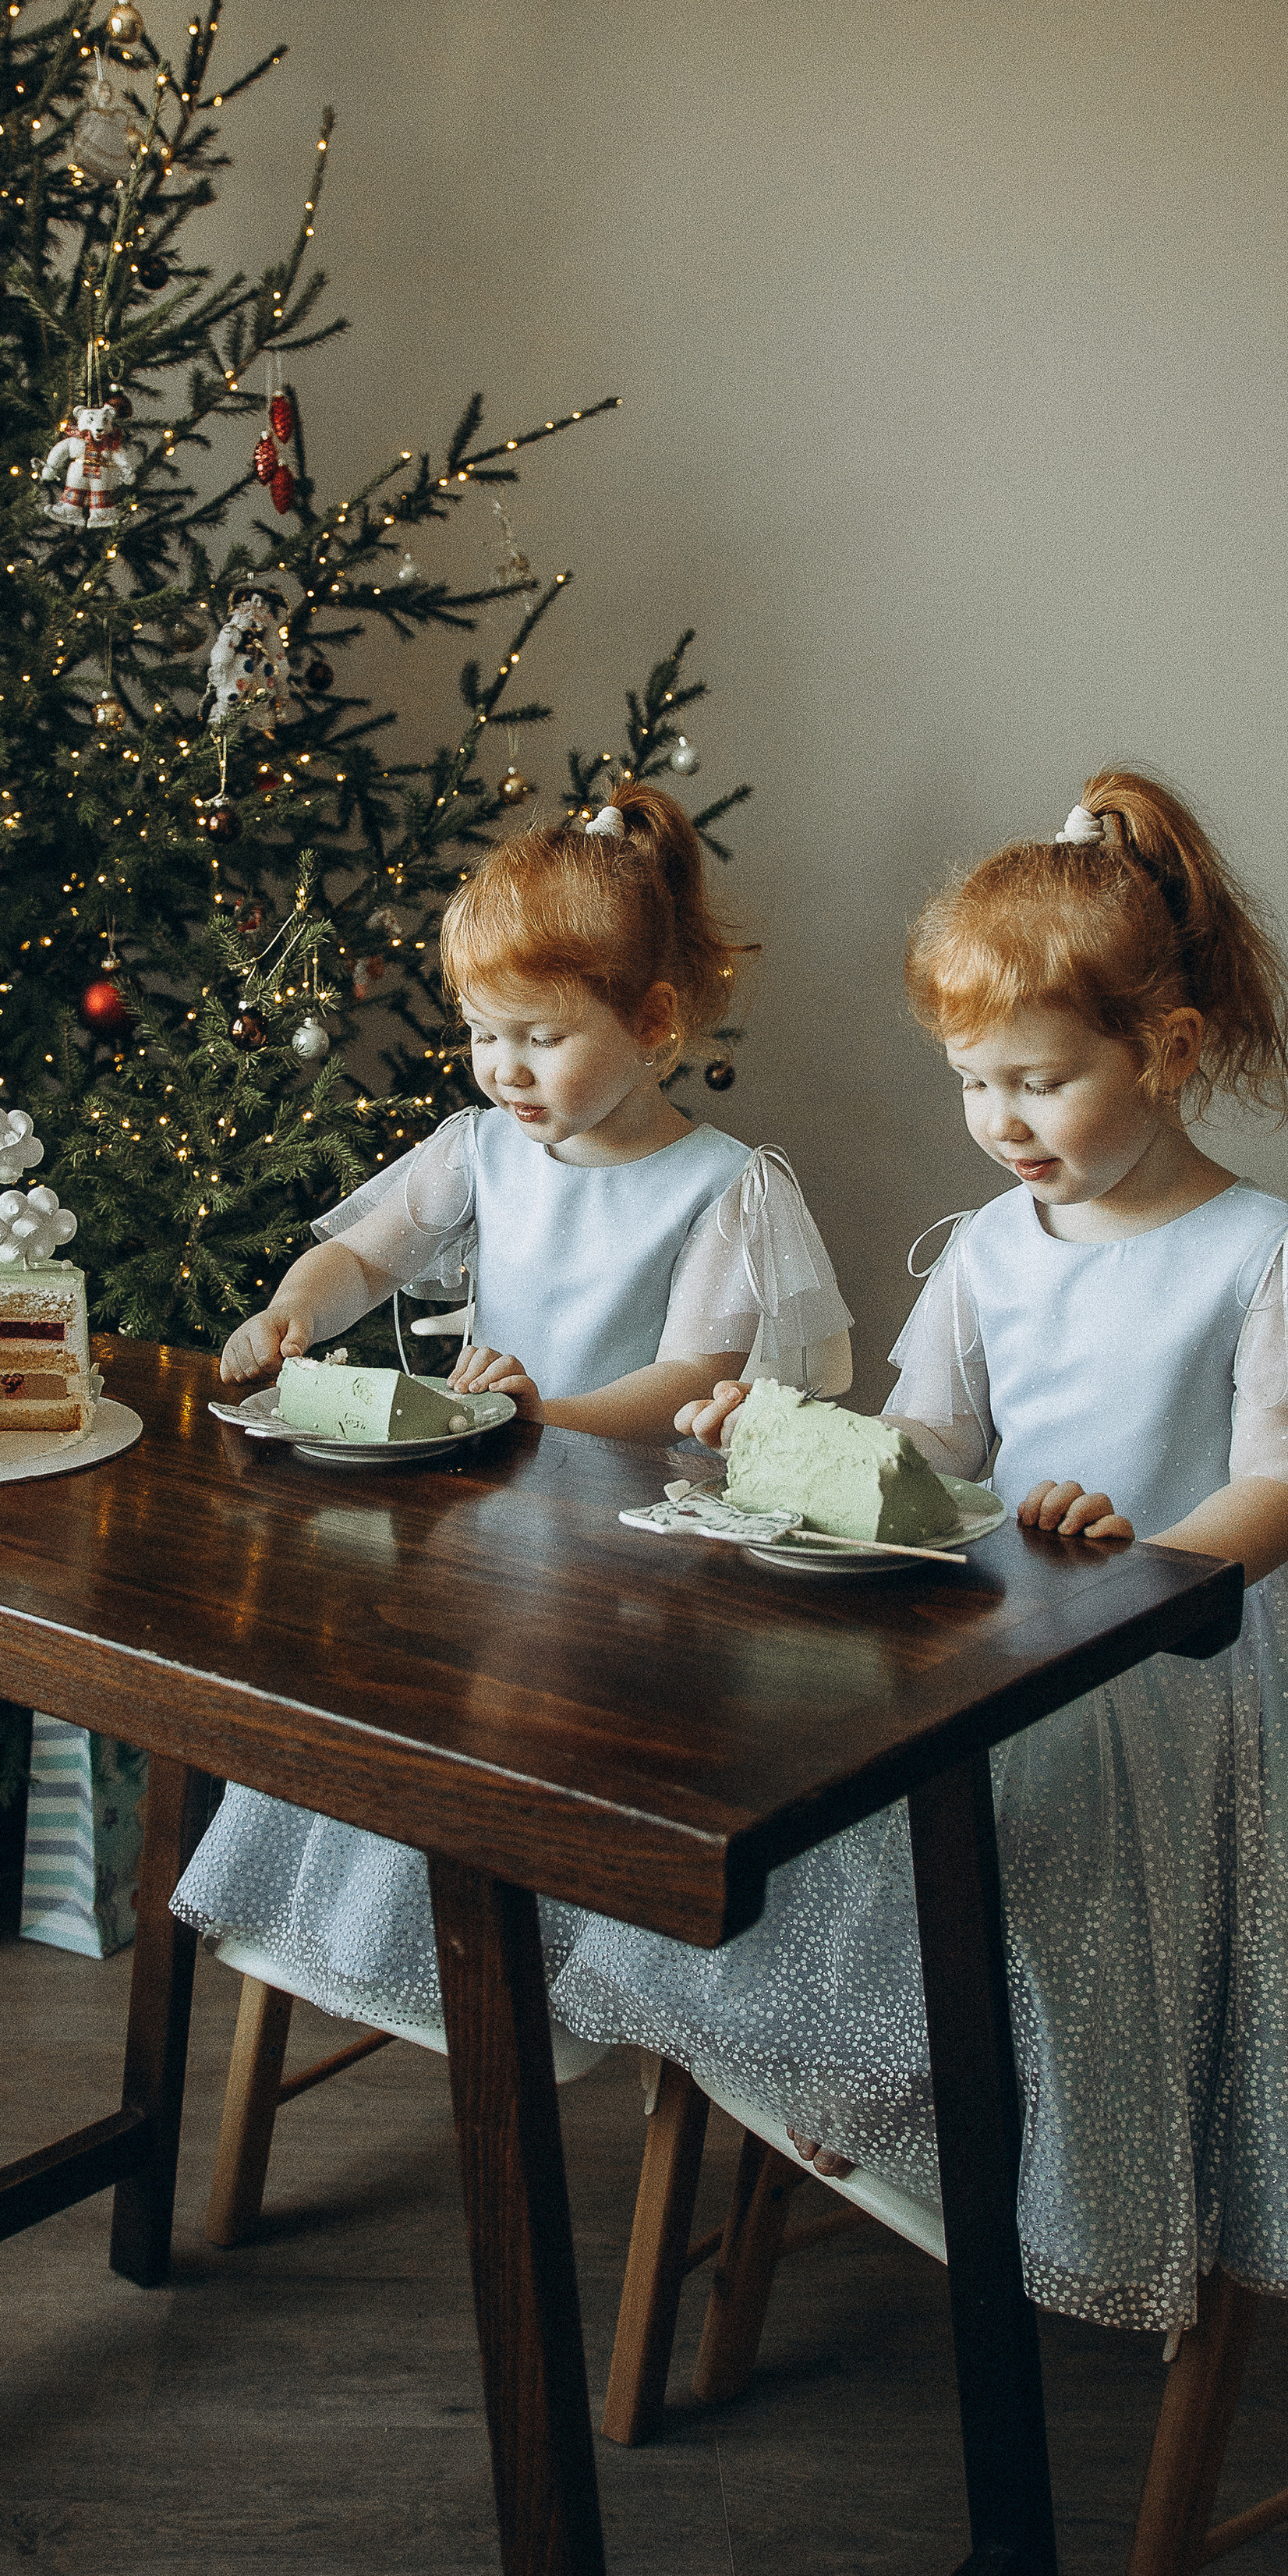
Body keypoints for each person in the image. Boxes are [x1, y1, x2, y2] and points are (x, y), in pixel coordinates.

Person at [549, 769, 1288, 2336]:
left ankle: (1035, 2132)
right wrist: (775, 1433)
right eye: (973, 1084)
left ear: (1164, 1052)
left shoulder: (1262, 1252)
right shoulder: (983, 1248)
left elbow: (1285, 1487)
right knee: (799, 1756)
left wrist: (1143, 1571)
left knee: (1016, 1802)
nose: (1000, 1122)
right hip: (998, 1627)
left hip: (1172, 1645)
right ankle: (868, 2062)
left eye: (1038, 1081)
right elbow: (935, 1450)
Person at [176, 779, 853, 2040]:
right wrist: (291, 1310)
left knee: (564, 1707)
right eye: (485, 1034)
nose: (505, 1068)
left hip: (637, 1552)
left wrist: (551, 1419)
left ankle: (605, 1975)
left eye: (540, 1036)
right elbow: (365, 1255)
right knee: (413, 1685)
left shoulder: (722, 1186)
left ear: (653, 1022)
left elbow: (690, 1381)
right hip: (494, 1521)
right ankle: (417, 1944)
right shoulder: (479, 1147)